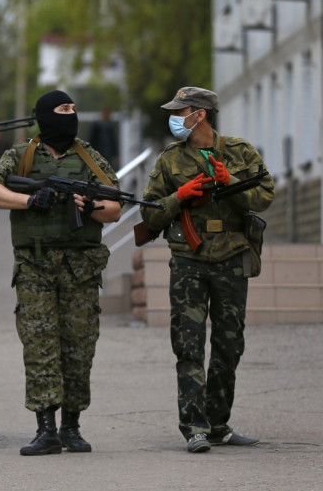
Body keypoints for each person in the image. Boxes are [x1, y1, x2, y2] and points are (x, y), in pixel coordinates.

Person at [0, 90, 121, 456]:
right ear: (44, 115)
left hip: (81, 269)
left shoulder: (90, 156)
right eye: (63, 109)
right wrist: (30, 201)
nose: (71, 114)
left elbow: (116, 207)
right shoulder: (21, 155)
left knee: (79, 348)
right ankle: (46, 429)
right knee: (40, 346)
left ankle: (72, 427)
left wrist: (91, 207)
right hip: (35, 267)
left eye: (74, 109)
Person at [139, 86, 274, 453]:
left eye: (180, 112)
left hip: (231, 257)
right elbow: (148, 212)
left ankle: (219, 423)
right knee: (188, 343)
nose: (175, 118)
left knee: (229, 343)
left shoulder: (239, 152)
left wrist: (229, 182)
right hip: (189, 259)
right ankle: (194, 427)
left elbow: (265, 195)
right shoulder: (170, 161)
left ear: (199, 114)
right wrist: (178, 197)